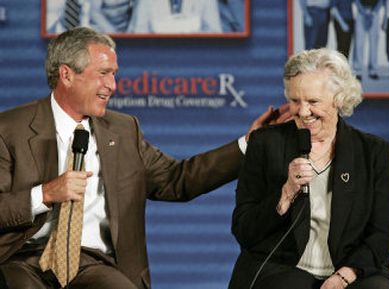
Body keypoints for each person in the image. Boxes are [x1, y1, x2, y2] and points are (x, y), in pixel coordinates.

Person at [0, 27, 289, 289]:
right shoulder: (9, 129)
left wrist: (249, 144)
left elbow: (178, 180)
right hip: (23, 258)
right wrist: (45, 193)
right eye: (103, 73)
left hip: (92, 263)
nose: (112, 85)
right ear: (66, 75)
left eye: (114, 74)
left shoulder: (124, 130)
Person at [228, 48, 389, 289]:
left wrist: (343, 277)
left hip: (352, 269)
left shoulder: (372, 151)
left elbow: (381, 235)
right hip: (282, 266)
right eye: (295, 101)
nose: (303, 111)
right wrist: (285, 194)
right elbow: (243, 230)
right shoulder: (265, 143)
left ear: (338, 99)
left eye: (313, 101)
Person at [133, 0, 222, 33]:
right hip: (156, 63)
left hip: (197, 64)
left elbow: (215, 36)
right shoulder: (145, 1)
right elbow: (139, 35)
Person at [353, 0, 384, 80]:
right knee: (359, 43)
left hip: (374, 13)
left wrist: (373, 12)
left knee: (374, 42)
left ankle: (373, 70)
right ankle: (358, 71)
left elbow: (381, 1)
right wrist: (363, 11)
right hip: (361, 12)